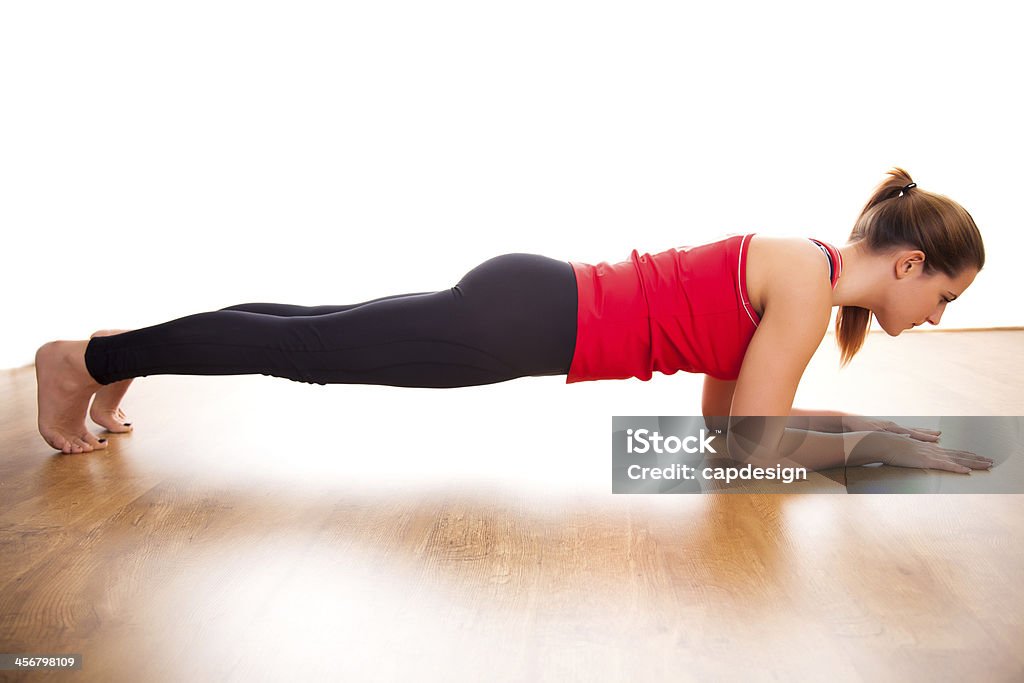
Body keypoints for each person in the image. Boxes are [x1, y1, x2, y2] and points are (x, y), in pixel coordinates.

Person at [33, 167, 994, 474]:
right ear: (910, 262)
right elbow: (750, 451)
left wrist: (868, 436)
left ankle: (118, 352)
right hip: (525, 318)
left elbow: (719, 434)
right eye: (944, 295)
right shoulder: (806, 283)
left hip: (527, 303)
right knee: (311, 346)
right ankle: (82, 358)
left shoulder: (802, 269)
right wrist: (876, 447)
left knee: (314, 328)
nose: (937, 314)